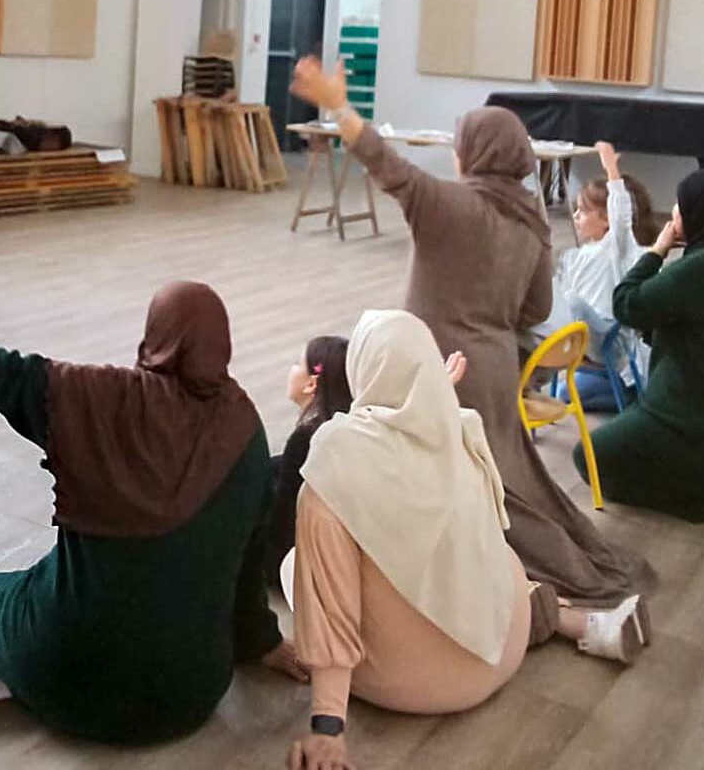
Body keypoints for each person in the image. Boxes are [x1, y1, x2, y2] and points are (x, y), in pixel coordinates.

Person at [0, 282, 306, 758]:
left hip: (66, 681)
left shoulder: (96, 400)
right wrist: (261, 641)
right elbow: (248, 563)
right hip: (191, 698)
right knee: (68, 577)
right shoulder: (245, 430)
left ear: (154, 337)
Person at [289, 56, 655, 605]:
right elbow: (537, 308)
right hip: (496, 370)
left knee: (462, 486)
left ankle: (475, 581)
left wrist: (339, 107)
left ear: (473, 153)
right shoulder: (532, 224)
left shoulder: (446, 205)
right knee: (505, 483)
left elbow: (386, 163)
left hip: (439, 367)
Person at [283, 311, 649, 770]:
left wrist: (327, 728)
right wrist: (434, 389)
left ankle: (575, 625)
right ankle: (586, 625)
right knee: (492, 556)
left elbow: (332, 607)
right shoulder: (460, 427)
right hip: (504, 645)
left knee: (298, 565)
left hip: (421, 686)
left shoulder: (336, 456)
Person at [577, 170, 704, 522]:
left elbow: (626, 304)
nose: (673, 211)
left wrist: (656, 252)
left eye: (680, 204)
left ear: (699, 213)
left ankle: (702, 501)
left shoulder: (701, 268)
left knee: (588, 458)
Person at [525, 141, 655, 410]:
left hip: (609, 340)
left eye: (583, 211)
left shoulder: (616, 249)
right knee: (564, 395)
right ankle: (532, 377)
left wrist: (611, 171)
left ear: (606, 219)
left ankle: (631, 391)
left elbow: (622, 221)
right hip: (581, 338)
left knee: (571, 301)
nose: (575, 216)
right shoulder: (575, 256)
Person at [266, 336, 352, 585]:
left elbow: (281, 525)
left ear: (311, 384)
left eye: (297, 364)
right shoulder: (344, 425)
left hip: (299, 564)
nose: (291, 369)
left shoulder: (305, 439)